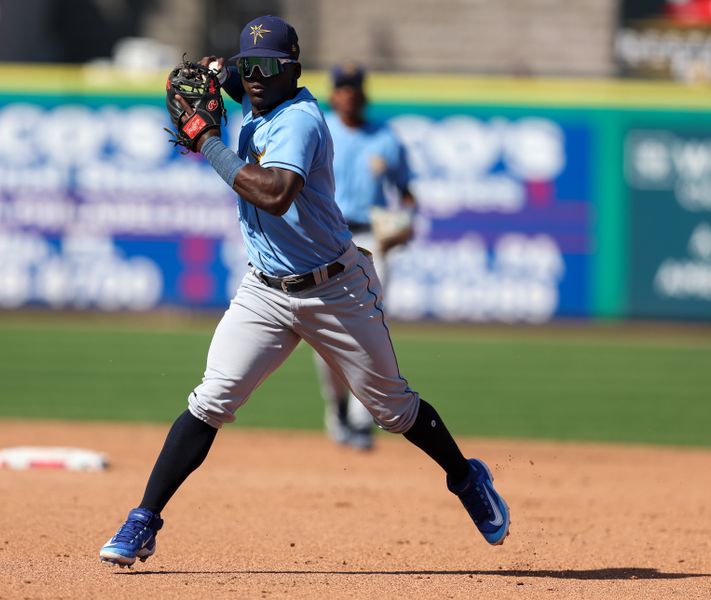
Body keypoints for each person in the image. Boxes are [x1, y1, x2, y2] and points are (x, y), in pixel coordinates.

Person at [99, 15, 510, 569]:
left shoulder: (300, 122)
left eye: (271, 66)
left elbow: (274, 194)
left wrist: (208, 139)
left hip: (335, 289)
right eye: (251, 66)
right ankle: (143, 519)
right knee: (212, 399)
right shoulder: (256, 92)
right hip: (265, 290)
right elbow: (227, 80)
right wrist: (221, 72)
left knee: (391, 408)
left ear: (294, 68)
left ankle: (465, 477)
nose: (259, 77)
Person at [315, 62, 417, 451]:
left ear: (363, 92)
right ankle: (337, 406)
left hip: (372, 235)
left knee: (369, 325)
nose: (349, 94)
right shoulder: (319, 129)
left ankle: (361, 416)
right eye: (343, 86)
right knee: (324, 329)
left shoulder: (385, 138)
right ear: (334, 92)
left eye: (354, 87)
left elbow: (406, 192)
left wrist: (404, 222)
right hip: (325, 236)